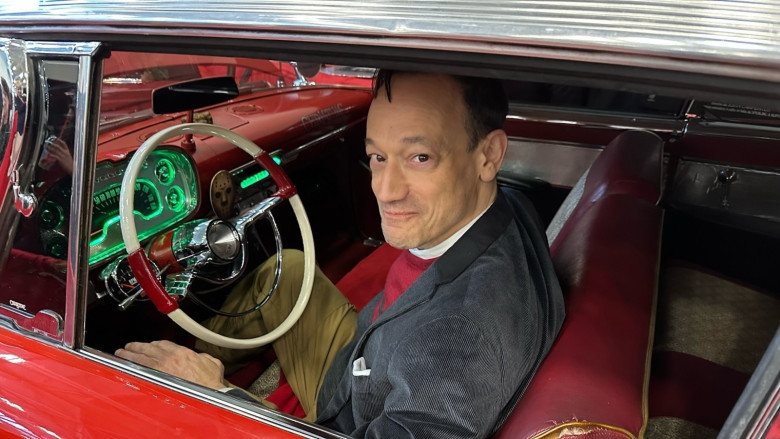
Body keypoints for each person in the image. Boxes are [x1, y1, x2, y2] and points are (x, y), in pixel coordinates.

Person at [116, 70, 565, 439]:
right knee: (289, 271)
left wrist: (217, 393)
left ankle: (185, 378)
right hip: (371, 358)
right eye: (378, 157)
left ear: (489, 155)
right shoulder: (508, 205)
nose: (384, 190)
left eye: (420, 157)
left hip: (344, 416)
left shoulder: (455, 341)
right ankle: (182, 359)